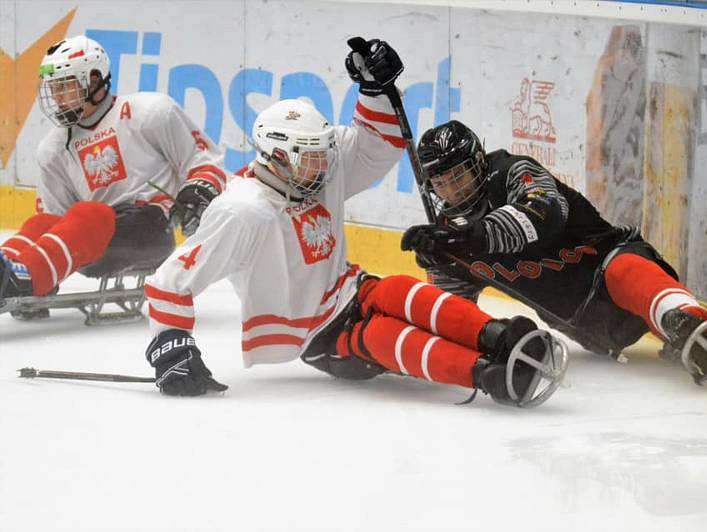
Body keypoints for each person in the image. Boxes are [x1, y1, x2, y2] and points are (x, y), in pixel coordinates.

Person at [141, 38, 567, 408]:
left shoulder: (314, 166)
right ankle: (483, 374)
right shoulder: (242, 211)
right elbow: (169, 281)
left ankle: (500, 335)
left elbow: (374, 146)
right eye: (312, 156)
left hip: (351, 289)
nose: (325, 163)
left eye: (323, 151)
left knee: (398, 289)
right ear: (278, 157)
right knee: (381, 336)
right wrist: (170, 344)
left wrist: (375, 89)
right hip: (319, 336)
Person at [400, 120, 707, 385]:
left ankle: (688, 320)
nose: (452, 188)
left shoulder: (513, 172)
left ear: (478, 161)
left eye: (458, 174)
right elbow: (453, 311)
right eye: (441, 181)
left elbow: (546, 213)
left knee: (622, 270)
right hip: (588, 328)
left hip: (612, 265)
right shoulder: (448, 239)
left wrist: (470, 238)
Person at [0, 35, 226, 311]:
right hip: (95, 243)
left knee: (90, 213)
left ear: (94, 81)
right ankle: (13, 271)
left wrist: (197, 193)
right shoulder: (53, 147)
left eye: (65, 87)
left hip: (149, 230)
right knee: (41, 224)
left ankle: (22, 280)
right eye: (53, 89)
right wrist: (47, 272)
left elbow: (203, 157)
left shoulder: (151, 111)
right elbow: (54, 218)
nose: (57, 98)